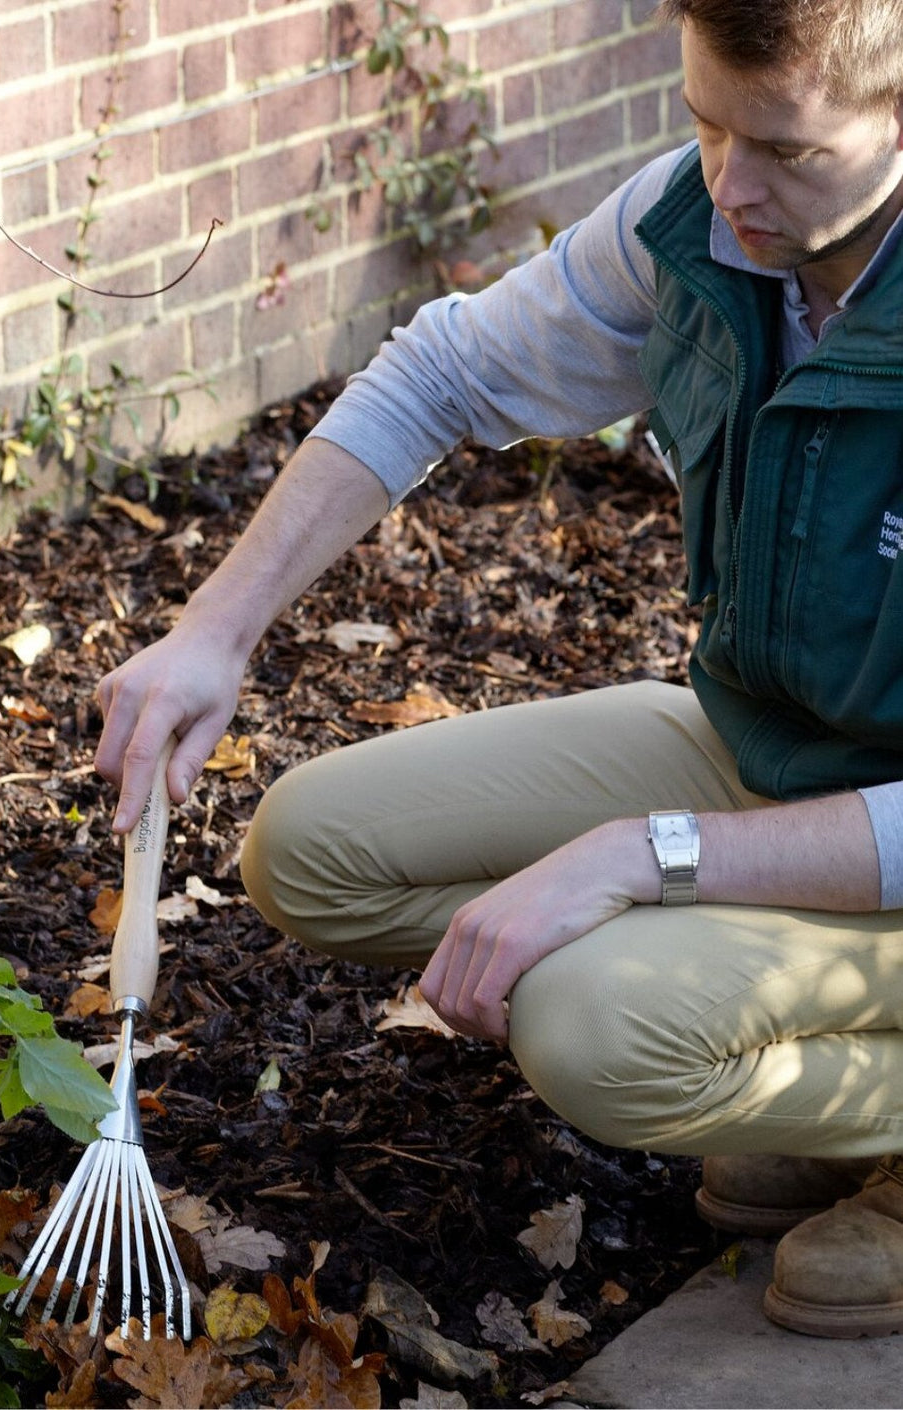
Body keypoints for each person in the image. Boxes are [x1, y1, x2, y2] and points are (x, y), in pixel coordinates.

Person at [94, 0, 903, 1339]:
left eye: (781, 148)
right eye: (702, 122)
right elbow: (442, 375)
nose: (727, 185)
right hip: (760, 743)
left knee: (591, 1024)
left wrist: (636, 858)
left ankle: (825, 1080)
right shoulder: (695, 227)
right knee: (310, 846)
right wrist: (213, 632)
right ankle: (767, 1038)